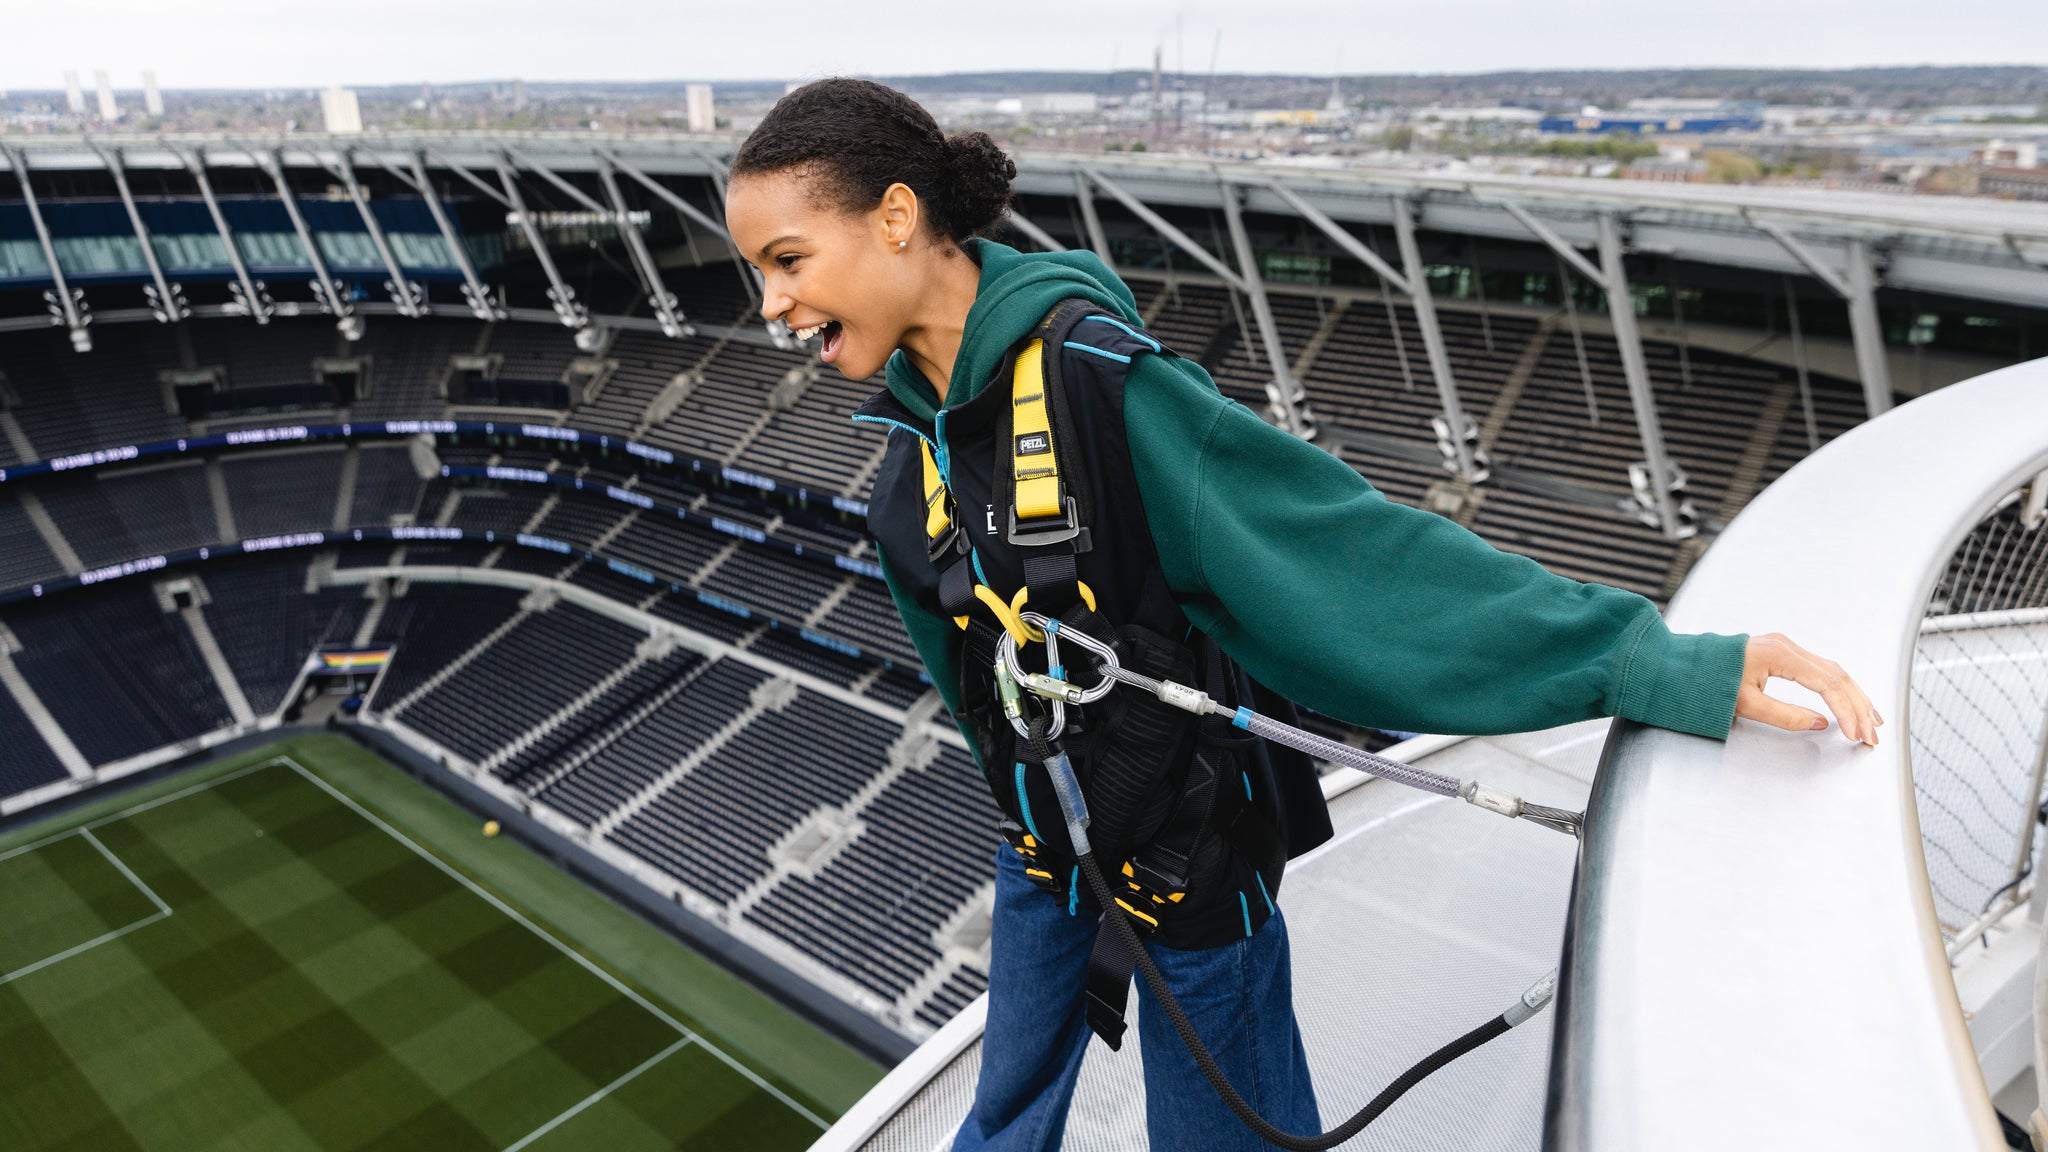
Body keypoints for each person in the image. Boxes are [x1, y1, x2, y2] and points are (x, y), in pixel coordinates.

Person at [724, 78, 1881, 1152]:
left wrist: (1654, 663)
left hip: (1184, 867)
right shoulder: (901, 473)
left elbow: (1355, 561)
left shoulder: (1099, 386)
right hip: (1049, 858)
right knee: (999, 1124)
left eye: (786, 260)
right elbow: (978, 700)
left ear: (892, 217)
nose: (771, 305)